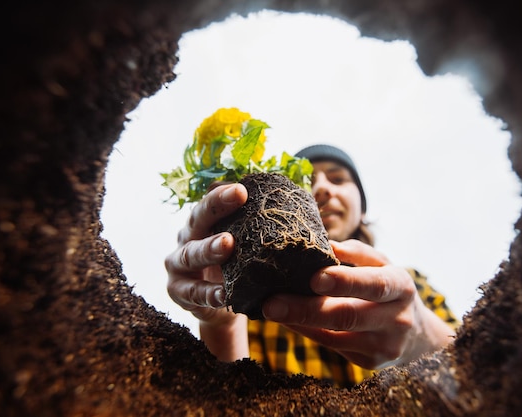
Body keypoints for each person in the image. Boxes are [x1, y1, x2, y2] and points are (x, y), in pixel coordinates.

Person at [165, 144, 459, 388]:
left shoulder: (414, 287)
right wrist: (222, 325)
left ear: (362, 204)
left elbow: (485, 375)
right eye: (308, 181)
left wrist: (421, 336)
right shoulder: (260, 310)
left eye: (338, 178)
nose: (322, 189)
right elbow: (228, 399)